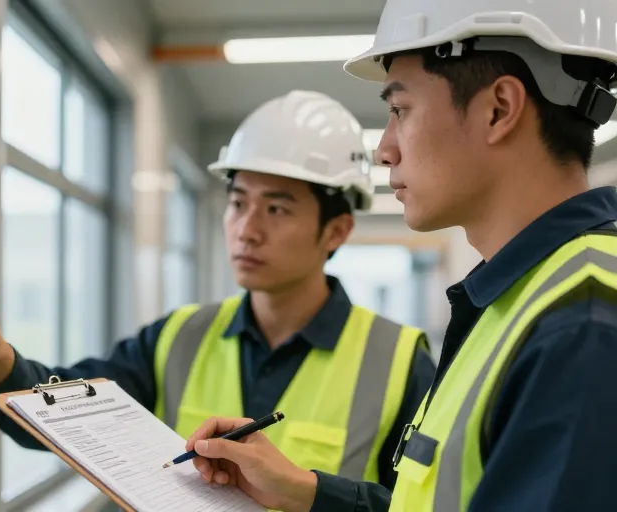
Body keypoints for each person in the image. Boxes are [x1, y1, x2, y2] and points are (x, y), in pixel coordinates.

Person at [183, 1, 617, 511]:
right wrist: (307, 492)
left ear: (499, 109)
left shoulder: (582, 327)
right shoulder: (524, 301)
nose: (384, 149)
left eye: (400, 110)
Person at [0, 90, 435, 490]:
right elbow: (66, 422)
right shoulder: (181, 337)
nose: (247, 229)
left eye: (277, 208)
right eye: (238, 203)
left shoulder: (397, 363)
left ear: (336, 230)